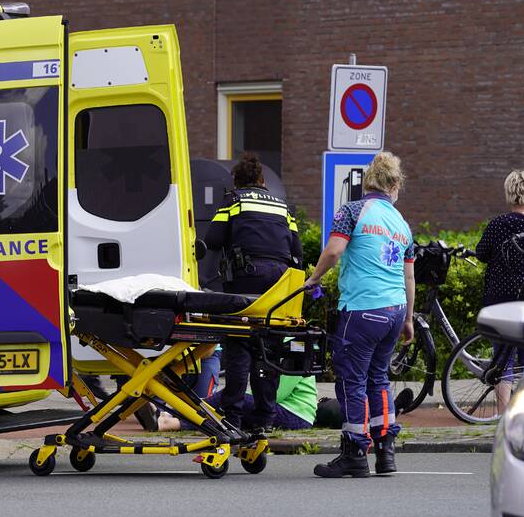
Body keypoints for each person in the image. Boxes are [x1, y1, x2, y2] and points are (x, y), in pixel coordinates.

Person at [306, 151, 414, 478]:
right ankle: (385, 453)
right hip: (394, 311)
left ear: (369, 181)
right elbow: (409, 277)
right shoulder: (402, 225)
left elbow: (336, 250)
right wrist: (408, 318)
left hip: (363, 309)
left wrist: (313, 278)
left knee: (353, 380)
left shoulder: (352, 210)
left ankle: (354, 452)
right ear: (394, 185)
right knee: (378, 378)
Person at [204, 152, 302, 435]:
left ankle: (233, 416)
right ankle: (265, 417)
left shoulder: (234, 201)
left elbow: (213, 240)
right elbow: (296, 251)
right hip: (278, 283)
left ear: (237, 180)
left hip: (246, 277)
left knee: (239, 348)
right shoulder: (283, 207)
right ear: (261, 180)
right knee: (268, 349)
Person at [475, 169, 524, 412]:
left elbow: (481, 253)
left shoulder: (497, 225)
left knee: (501, 360)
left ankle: (504, 414)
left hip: (499, 301)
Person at [157, 374, 317, 432]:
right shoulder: (288, 346)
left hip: (294, 415)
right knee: (230, 412)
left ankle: (177, 419)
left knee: (232, 397)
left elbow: (274, 395)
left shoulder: (291, 351)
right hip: (289, 413)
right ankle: (178, 416)